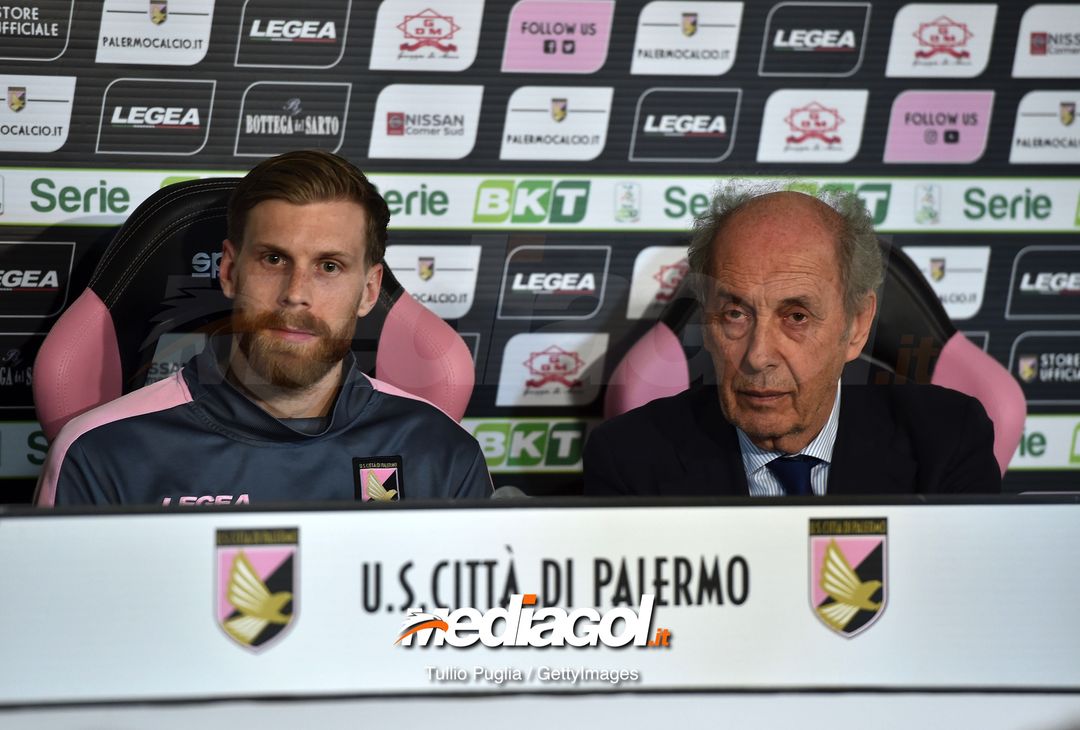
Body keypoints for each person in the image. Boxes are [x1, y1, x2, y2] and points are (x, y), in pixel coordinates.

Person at [36, 150, 492, 505]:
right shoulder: (102, 451)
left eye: (329, 266)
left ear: (370, 291)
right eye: (274, 259)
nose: (296, 292)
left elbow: (470, 627)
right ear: (230, 272)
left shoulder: (443, 451)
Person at [584, 186, 1001, 497]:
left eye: (796, 317)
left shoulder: (947, 441)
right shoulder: (629, 460)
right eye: (735, 314)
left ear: (856, 326)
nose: (759, 355)